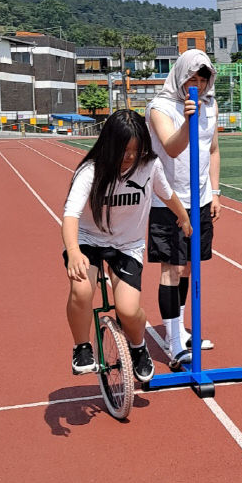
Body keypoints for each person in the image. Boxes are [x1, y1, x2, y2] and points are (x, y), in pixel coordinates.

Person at [62, 109, 191, 382]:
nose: (130, 157)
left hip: (127, 245)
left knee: (129, 310)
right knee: (82, 289)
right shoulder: (91, 170)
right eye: (124, 150)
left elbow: (167, 194)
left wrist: (183, 217)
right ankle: (82, 347)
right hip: (89, 240)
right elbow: (71, 214)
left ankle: (138, 347)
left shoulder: (149, 166)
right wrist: (73, 251)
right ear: (110, 145)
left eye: (136, 150)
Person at [146, 50, 221, 364]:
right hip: (168, 199)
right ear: (180, 74)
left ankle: (180, 330)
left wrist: (215, 192)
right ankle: (173, 339)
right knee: (172, 268)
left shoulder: (210, 105)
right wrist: (188, 119)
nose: (198, 84)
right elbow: (172, 147)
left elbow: (213, 149)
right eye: (192, 77)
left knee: (190, 265)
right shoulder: (159, 107)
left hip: (201, 197)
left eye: (203, 78)